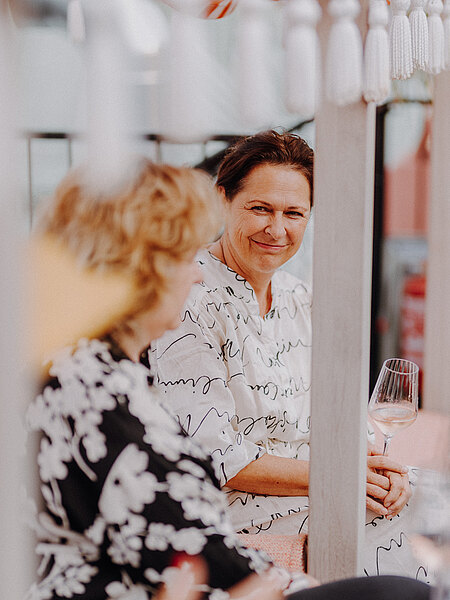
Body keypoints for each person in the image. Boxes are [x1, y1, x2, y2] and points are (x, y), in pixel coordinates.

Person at [26, 159, 431, 600]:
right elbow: (189, 545)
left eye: (295, 213)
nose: (198, 271)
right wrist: (292, 584)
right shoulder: (92, 393)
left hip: (216, 576)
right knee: (401, 582)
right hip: (210, 579)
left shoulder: (100, 374)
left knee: (417, 515)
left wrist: (373, 470)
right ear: (139, 268)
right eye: (184, 257)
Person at [152, 130, 427, 579]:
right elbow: (218, 458)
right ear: (223, 200)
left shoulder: (301, 297)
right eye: (260, 208)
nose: (277, 229)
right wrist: (340, 476)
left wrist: (381, 469)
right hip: (235, 505)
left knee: (427, 495)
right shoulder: (188, 298)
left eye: (294, 213)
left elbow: (342, 421)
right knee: (401, 525)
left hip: (318, 484)